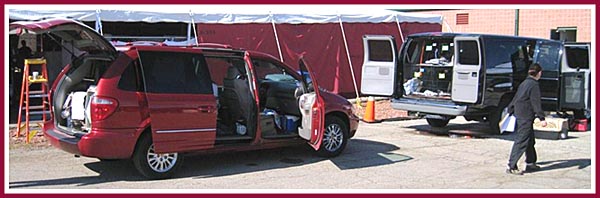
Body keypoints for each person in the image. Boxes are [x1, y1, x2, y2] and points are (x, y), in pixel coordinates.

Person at [505, 63, 548, 175]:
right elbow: (535, 102)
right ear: (539, 73)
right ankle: (511, 166)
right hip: (525, 116)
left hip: (520, 113)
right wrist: (541, 117)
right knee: (522, 140)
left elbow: (516, 97)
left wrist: (510, 108)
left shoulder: (525, 83)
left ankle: (530, 162)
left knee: (529, 140)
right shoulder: (533, 85)